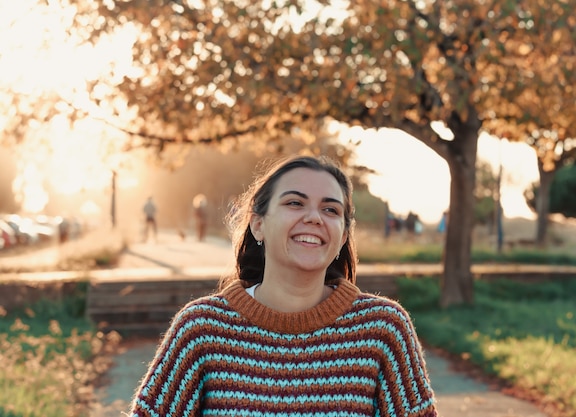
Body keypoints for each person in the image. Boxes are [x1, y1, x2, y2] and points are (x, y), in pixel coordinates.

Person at [128, 155, 439, 417]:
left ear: (343, 236)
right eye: (295, 202)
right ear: (258, 223)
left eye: (331, 209)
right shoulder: (201, 328)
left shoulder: (383, 328)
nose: (315, 217)